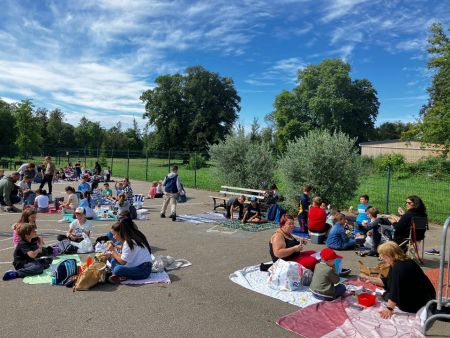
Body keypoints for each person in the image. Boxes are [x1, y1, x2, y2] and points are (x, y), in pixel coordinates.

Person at [359, 241, 435, 318]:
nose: (382, 259)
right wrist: (370, 279)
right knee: (387, 294)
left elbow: (394, 290)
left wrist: (389, 309)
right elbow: (388, 281)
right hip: (426, 298)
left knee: (386, 295)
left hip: (417, 303)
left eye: (383, 256)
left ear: (389, 255)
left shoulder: (398, 268)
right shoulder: (404, 261)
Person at [105, 217, 152, 283]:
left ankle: (119, 275)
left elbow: (123, 261)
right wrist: (112, 254)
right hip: (137, 265)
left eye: (114, 234)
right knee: (111, 259)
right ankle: (119, 276)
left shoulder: (129, 242)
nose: (113, 237)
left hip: (143, 270)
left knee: (118, 269)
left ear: (120, 233)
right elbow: (124, 257)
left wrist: (113, 252)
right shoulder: (130, 239)